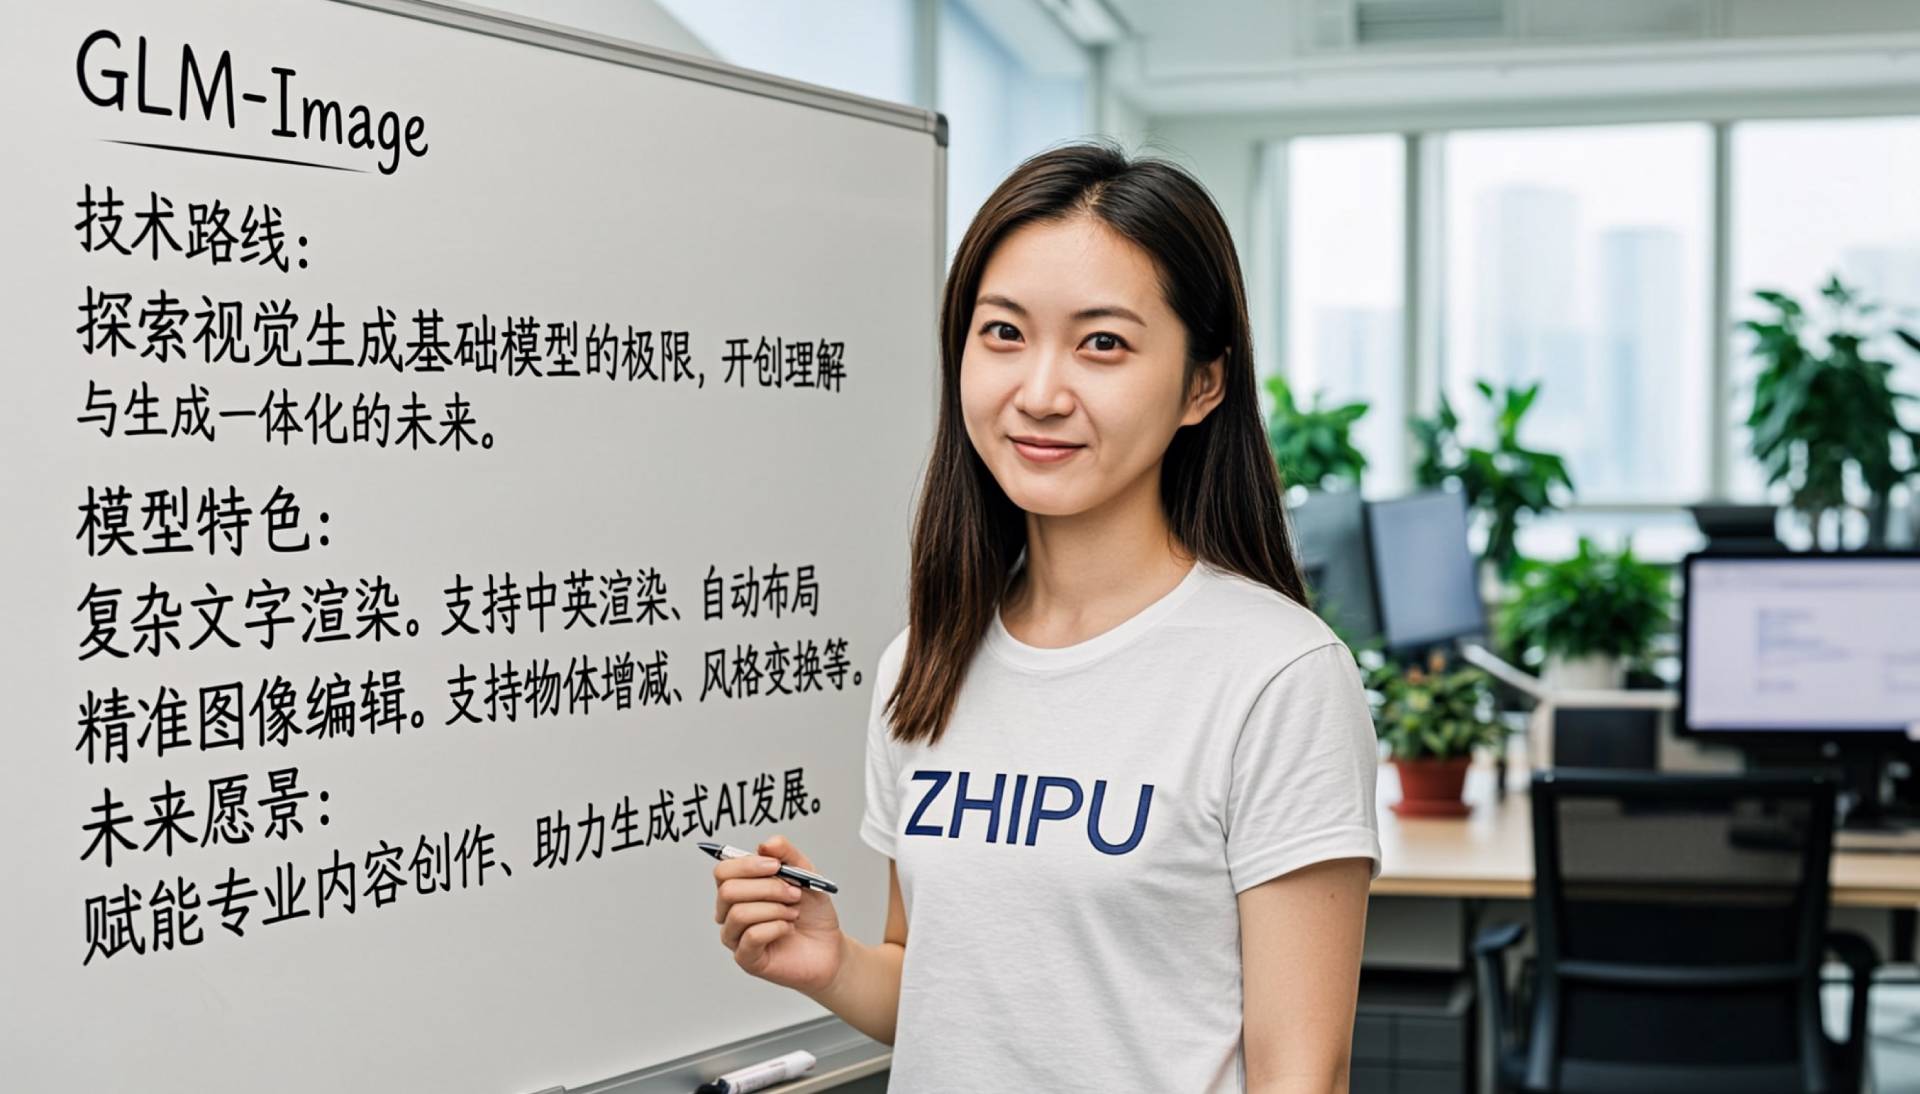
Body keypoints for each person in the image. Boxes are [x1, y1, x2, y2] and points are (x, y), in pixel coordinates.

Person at [711, 139, 1381, 1093]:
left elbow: (1299, 1074)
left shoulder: (1278, 676)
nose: (1038, 393)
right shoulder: (923, 663)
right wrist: (834, 965)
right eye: (1003, 333)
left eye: (1102, 342)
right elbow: (950, 994)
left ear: (1203, 383)